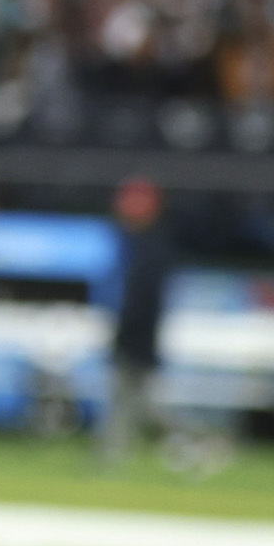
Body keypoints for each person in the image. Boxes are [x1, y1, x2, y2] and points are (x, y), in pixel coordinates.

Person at [97, 176, 172, 466]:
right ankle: (113, 451)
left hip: (139, 336)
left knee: (143, 401)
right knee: (127, 397)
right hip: (129, 334)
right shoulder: (127, 243)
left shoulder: (152, 248)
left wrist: (129, 331)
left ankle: (192, 442)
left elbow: (144, 301)